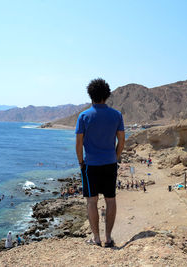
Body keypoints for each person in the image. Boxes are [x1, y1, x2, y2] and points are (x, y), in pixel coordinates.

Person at [75, 78, 125, 248]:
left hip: (91, 165)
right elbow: (122, 140)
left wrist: (81, 162)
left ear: (90, 95)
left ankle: (96, 238)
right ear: (107, 95)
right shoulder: (116, 115)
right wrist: (115, 157)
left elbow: (79, 143)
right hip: (110, 163)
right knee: (111, 200)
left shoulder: (84, 116)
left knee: (92, 201)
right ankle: (109, 238)